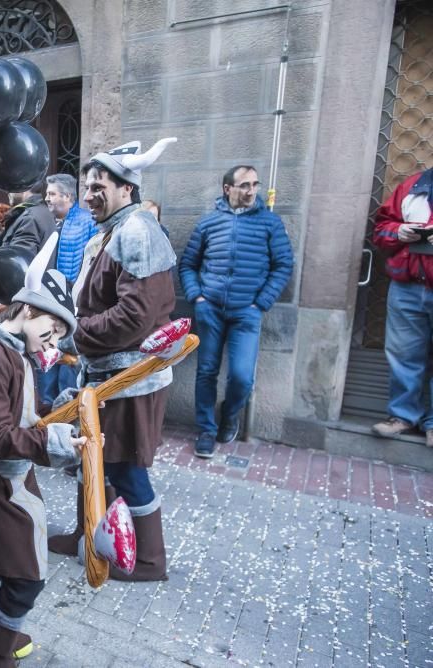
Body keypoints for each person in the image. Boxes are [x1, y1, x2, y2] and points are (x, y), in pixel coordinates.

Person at [0, 246, 83, 666]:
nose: (54, 338)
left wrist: (57, 411)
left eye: (60, 332)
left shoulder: (11, 348)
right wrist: (53, 443)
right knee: (24, 578)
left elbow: (14, 415)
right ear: (26, 310)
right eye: (51, 326)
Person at [48, 139, 178, 582]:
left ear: (128, 188)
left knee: (125, 467)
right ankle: (89, 534)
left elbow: (135, 316)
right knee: (94, 458)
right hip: (102, 376)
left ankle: (148, 559)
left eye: (99, 186)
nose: (88, 196)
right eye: (86, 186)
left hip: (128, 381)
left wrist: (75, 332)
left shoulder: (138, 231)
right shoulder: (114, 229)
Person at [179, 165, 293, 457]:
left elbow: (283, 266)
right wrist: (198, 298)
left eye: (254, 184)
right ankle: (206, 430)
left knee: (242, 376)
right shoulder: (209, 223)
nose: (251, 190)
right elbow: (188, 264)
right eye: (244, 185)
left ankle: (229, 415)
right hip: (210, 310)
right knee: (206, 371)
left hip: (247, 312)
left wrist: (260, 303)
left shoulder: (270, 224)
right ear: (227, 189)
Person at [370, 167, 433, 446]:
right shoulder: (412, 185)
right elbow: (381, 228)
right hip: (407, 287)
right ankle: (402, 417)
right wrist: (399, 232)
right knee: (403, 354)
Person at [38, 174, 98, 412]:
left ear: (68, 197)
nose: (47, 198)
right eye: (47, 193)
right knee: (46, 351)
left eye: (52, 193)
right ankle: (46, 405)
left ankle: (67, 408)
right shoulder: (44, 220)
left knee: (69, 355)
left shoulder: (87, 221)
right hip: (47, 298)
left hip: (74, 300)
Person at [0, 180, 56, 254]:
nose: (8, 191)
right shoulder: (44, 211)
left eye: (12, 187)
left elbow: (18, 261)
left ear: (24, 188)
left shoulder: (29, 218)